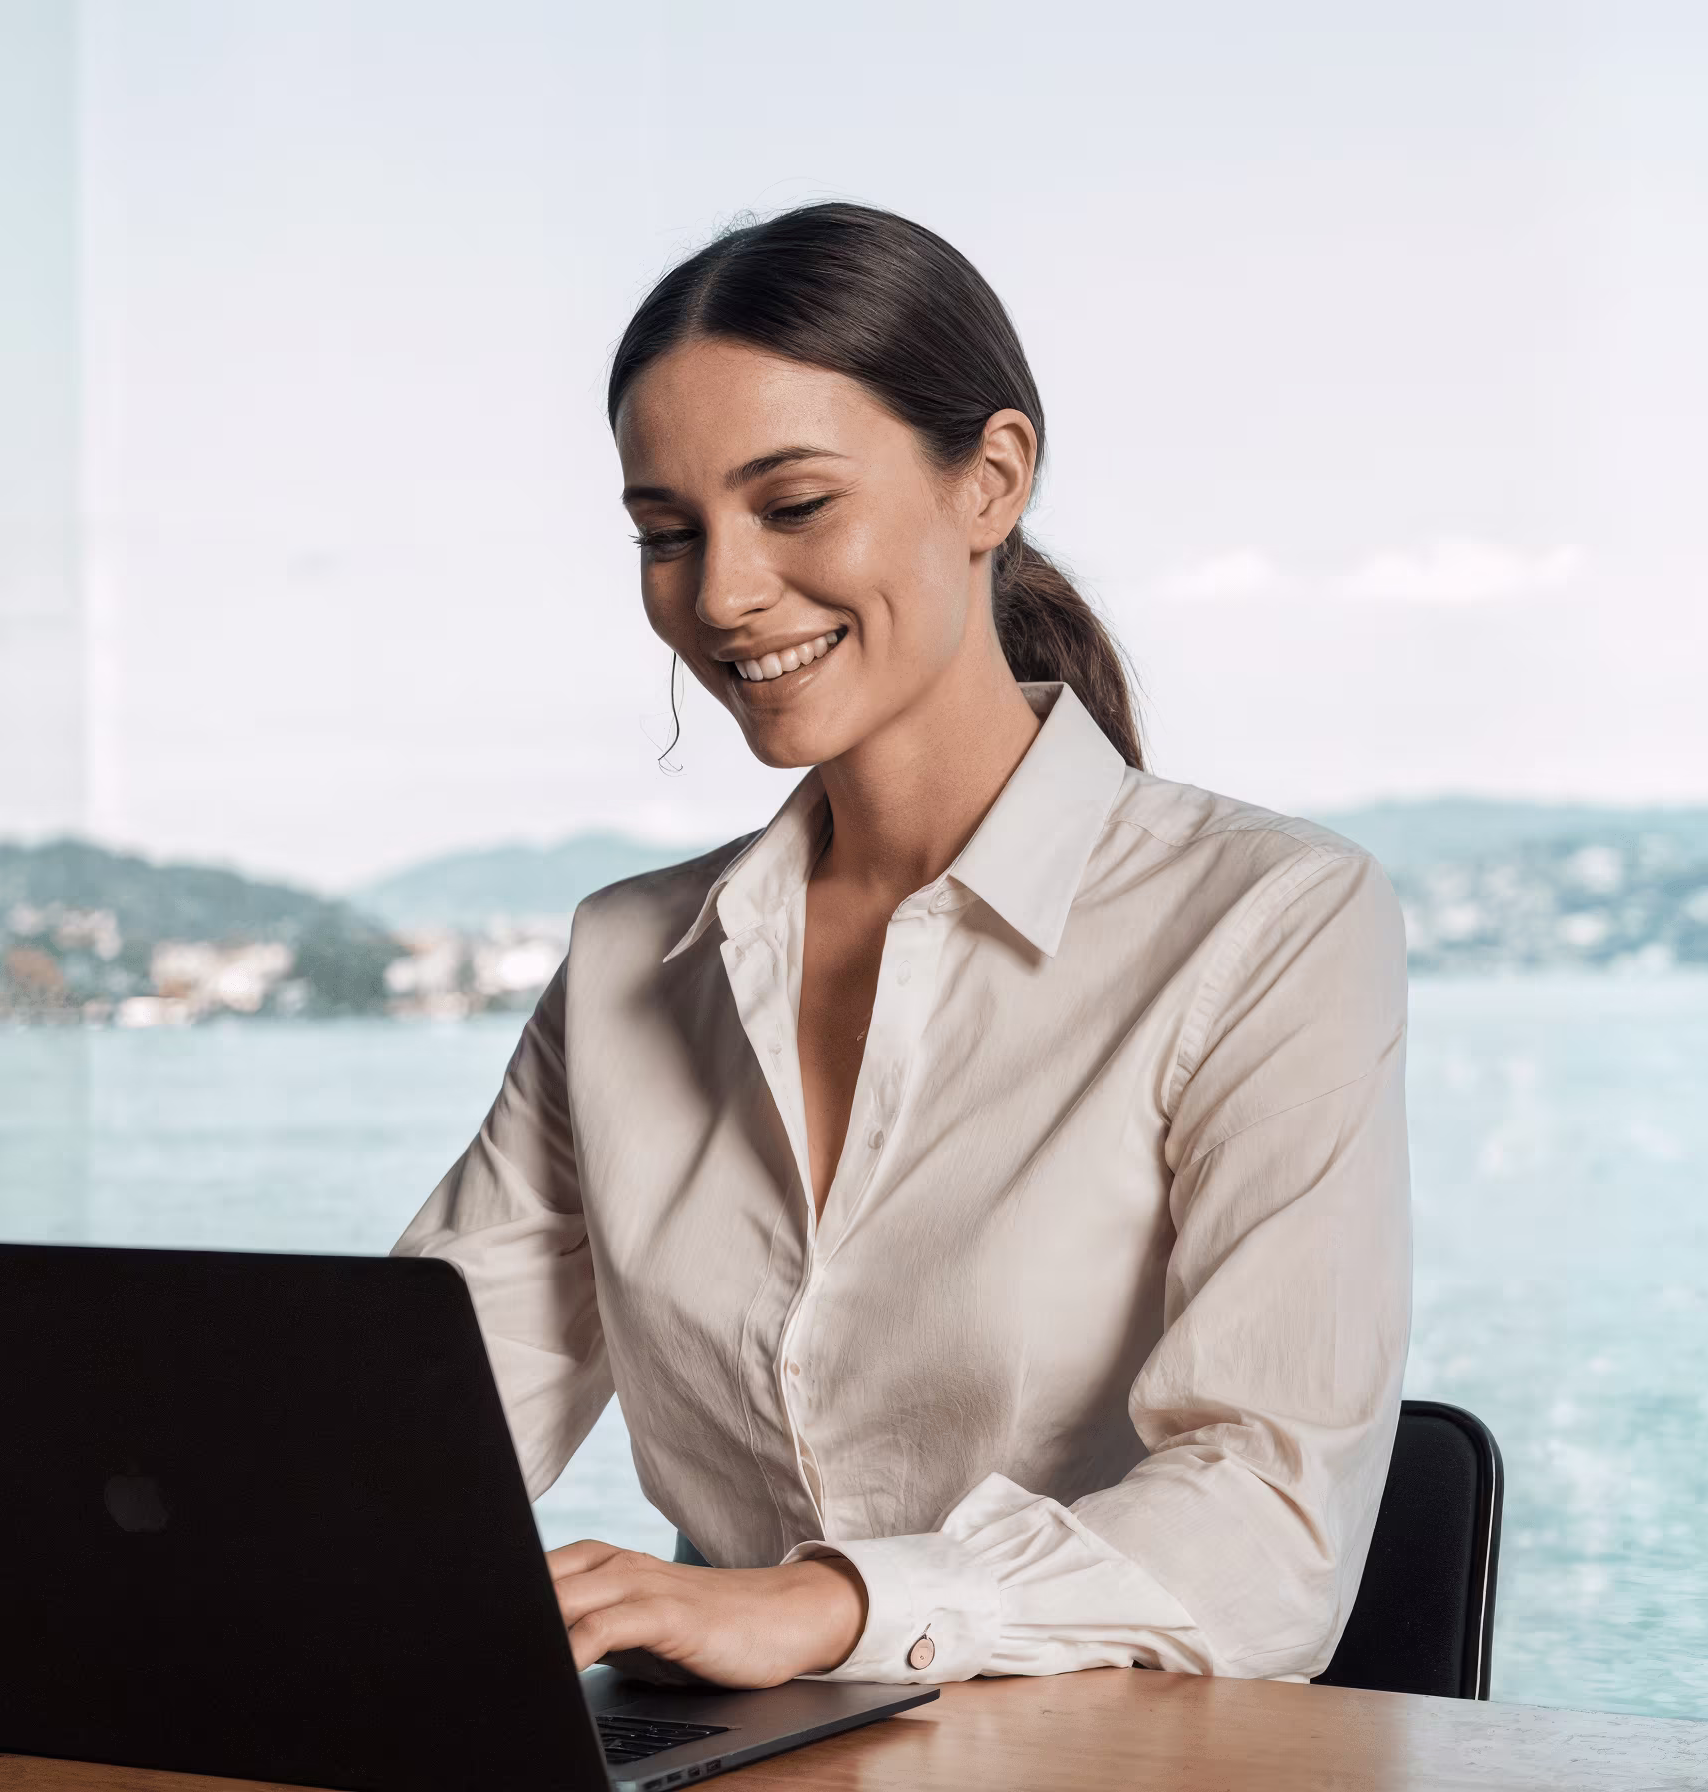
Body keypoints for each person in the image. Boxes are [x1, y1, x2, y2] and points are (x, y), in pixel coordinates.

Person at [393, 202, 1410, 1691]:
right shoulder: (628, 960)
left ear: (990, 480)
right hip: (731, 1763)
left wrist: (822, 1607)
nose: (721, 593)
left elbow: (1271, 1529)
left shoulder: (1269, 919)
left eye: (795, 505)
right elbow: (420, 1433)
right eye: (667, 534)